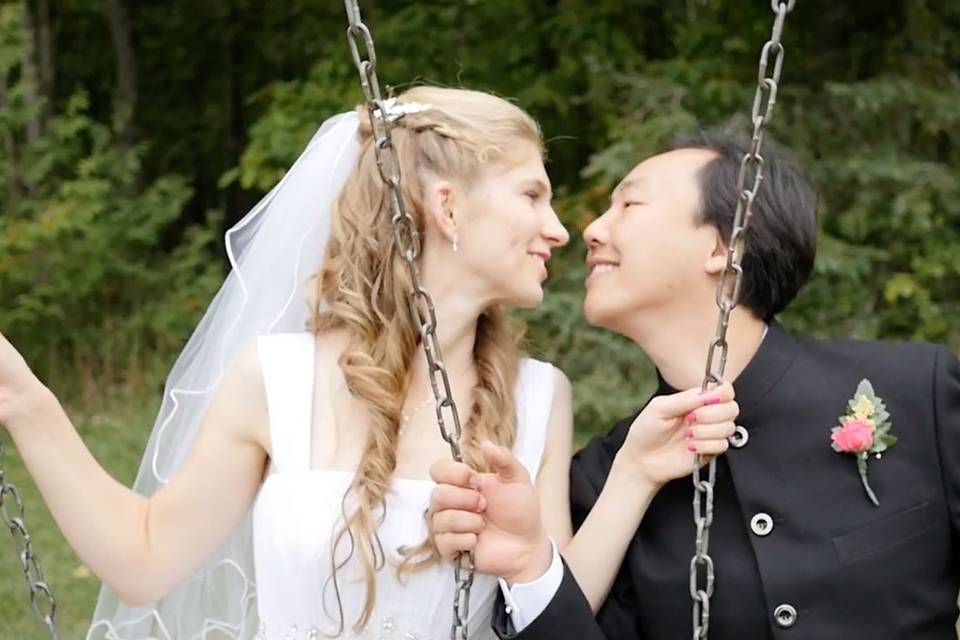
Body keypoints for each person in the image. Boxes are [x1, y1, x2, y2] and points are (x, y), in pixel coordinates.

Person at [0, 86, 584, 640]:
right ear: (448, 209)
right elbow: (145, 560)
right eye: (532, 195)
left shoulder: (539, 396)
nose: (558, 231)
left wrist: (631, 473)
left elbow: (562, 609)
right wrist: (25, 401)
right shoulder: (276, 379)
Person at [428, 137, 960, 639]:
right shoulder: (604, 481)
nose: (590, 229)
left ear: (724, 247)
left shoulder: (917, 392)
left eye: (629, 206)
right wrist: (528, 566)